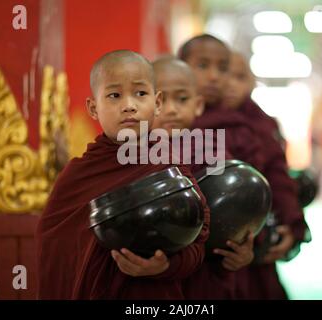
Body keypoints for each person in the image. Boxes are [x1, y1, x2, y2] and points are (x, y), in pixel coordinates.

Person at [36, 50, 210, 299]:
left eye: (140, 93)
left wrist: (166, 266)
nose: (129, 106)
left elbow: (198, 240)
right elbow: (52, 242)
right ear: (93, 108)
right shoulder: (79, 173)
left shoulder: (168, 165)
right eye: (114, 95)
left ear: (156, 103)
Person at [151, 56, 254, 299]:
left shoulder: (211, 148)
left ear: (198, 105)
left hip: (204, 277)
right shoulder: (131, 151)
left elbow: (233, 207)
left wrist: (244, 249)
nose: (171, 109)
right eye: (159, 99)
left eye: (182, 99)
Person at [222, 51, 311, 299]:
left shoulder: (263, 123)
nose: (229, 84)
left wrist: (292, 224)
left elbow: (278, 177)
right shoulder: (193, 121)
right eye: (222, 74)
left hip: (256, 239)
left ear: (252, 83)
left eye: (239, 77)